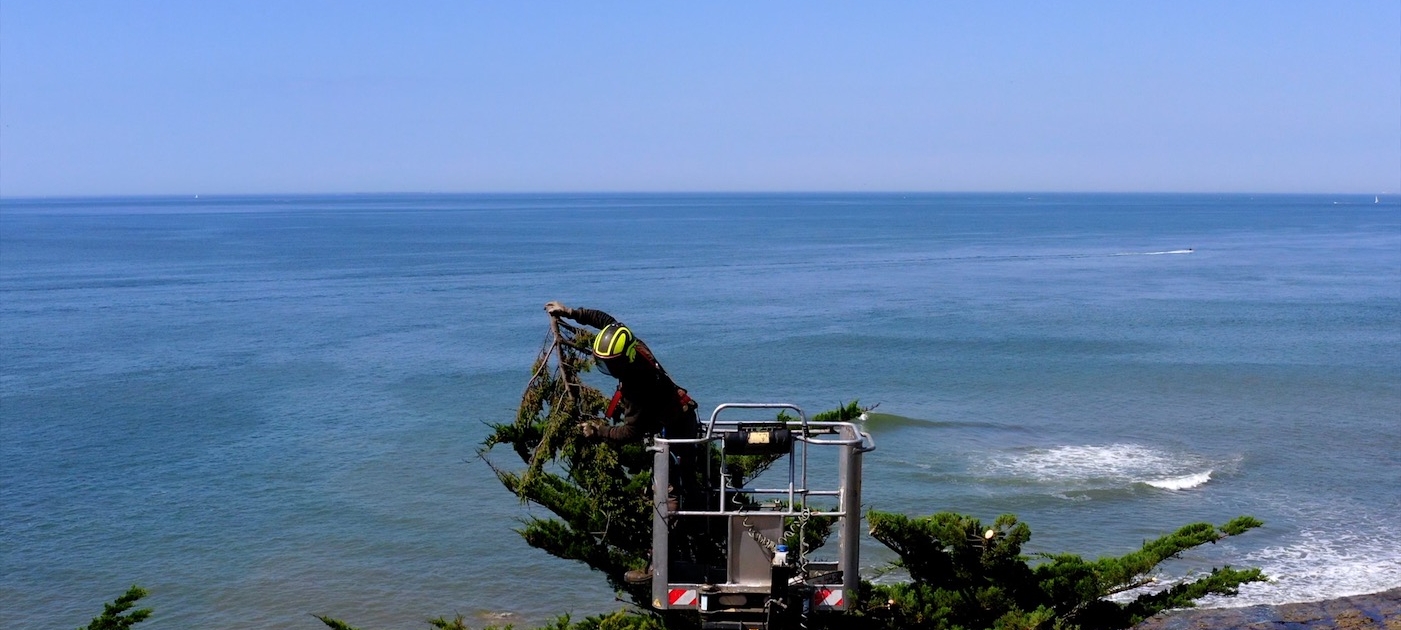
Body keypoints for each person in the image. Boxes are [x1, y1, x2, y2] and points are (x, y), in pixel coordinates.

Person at [544, 302, 698, 444]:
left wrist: (599, 431)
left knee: (674, 471)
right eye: (604, 363)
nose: (610, 369)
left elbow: (631, 432)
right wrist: (570, 312)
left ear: (625, 360)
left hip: (677, 425)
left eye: (612, 364)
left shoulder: (637, 384)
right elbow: (603, 319)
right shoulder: (630, 343)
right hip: (675, 413)